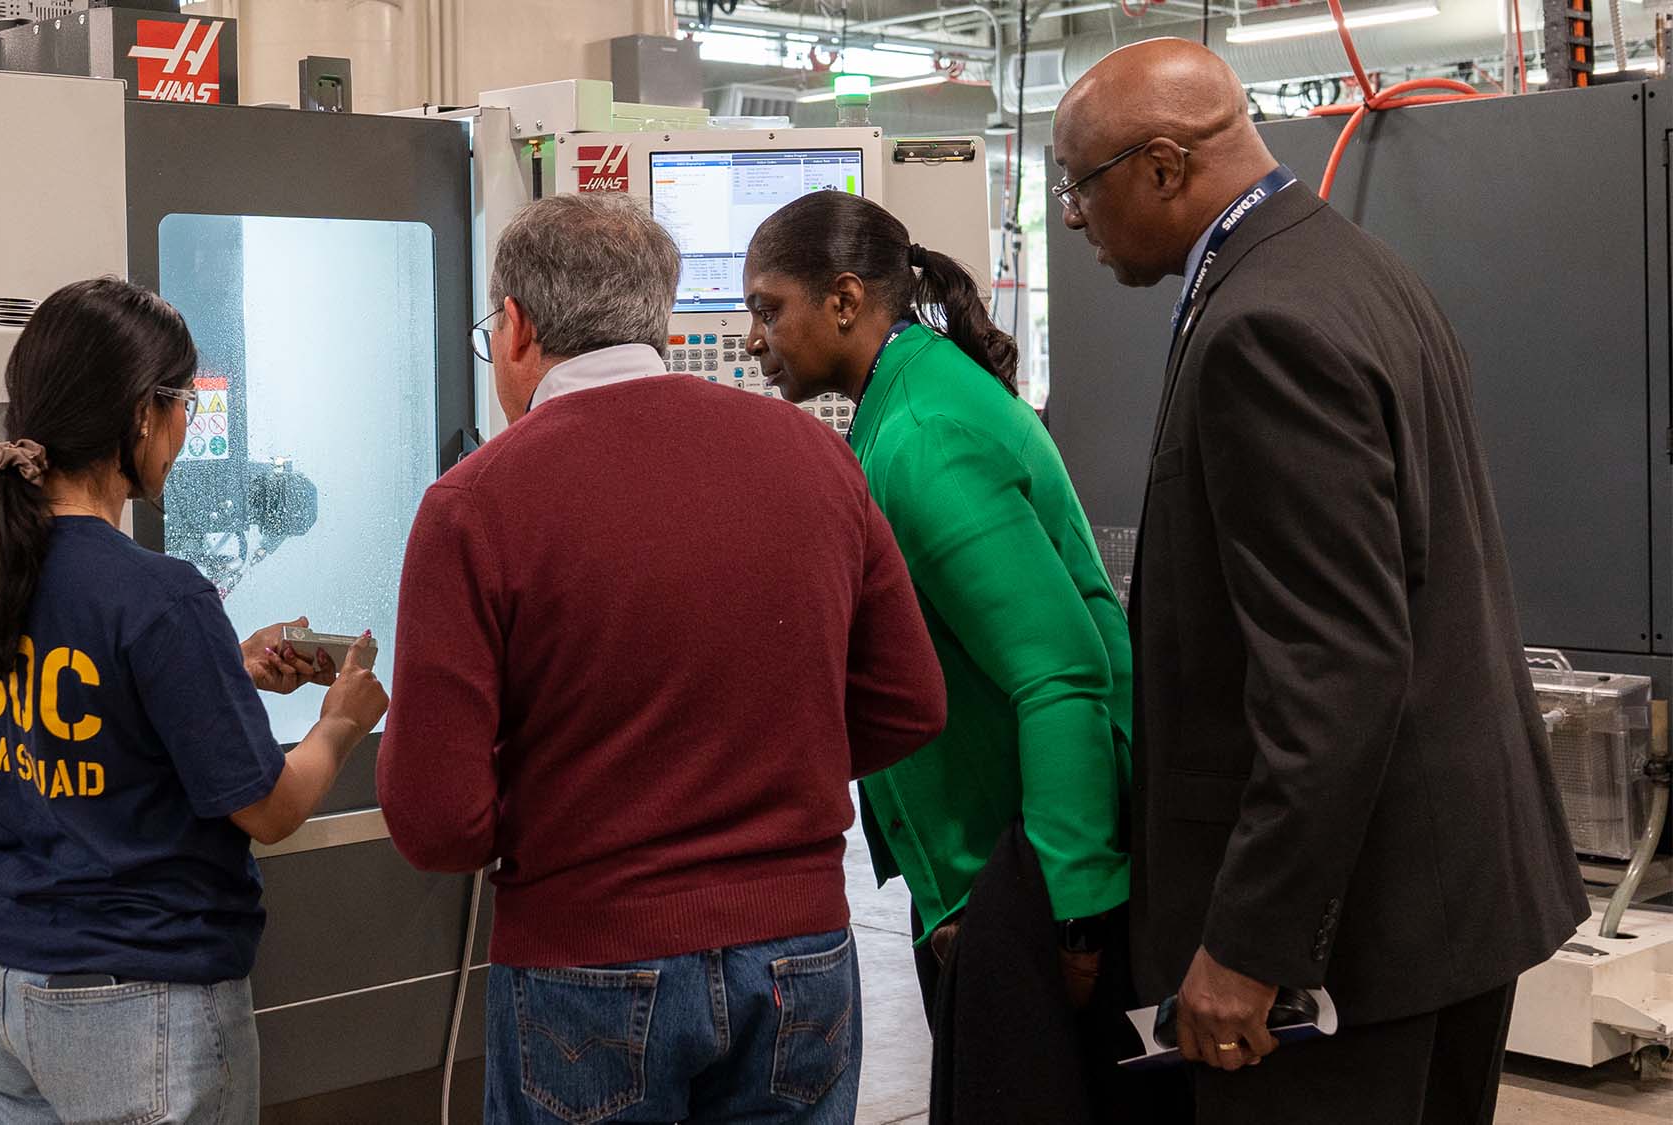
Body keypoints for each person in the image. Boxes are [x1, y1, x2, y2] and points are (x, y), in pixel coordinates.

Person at [1051, 39, 1588, 1122]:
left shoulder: (1262, 323)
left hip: (1351, 947)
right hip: (1444, 900)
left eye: (1079, 185)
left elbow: (1334, 671)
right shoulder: (1355, 270)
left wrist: (1252, 945)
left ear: (1162, 167)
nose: (1071, 218)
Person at [376, 193, 947, 1125]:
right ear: (660, 317)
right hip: (801, 954)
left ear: (516, 326)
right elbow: (911, 701)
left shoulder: (474, 504)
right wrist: (771, 767)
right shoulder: (817, 457)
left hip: (586, 959)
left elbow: (438, 820)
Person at [0, 277, 389, 1125]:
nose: (186, 426)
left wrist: (225, 667)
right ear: (140, 417)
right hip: (140, 1000)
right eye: (182, 402)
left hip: (3, 986)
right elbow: (270, 808)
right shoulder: (160, 595)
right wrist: (341, 721)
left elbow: (90, 705)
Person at [743, 191, 1139, 1120]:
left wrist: (1072, 917)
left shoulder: (922, 438)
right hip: (992, 870)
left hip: (1033, 873)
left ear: (845, 300)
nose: (754, 340)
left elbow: (1061, 673)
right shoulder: (907, 399)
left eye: (768, 309)